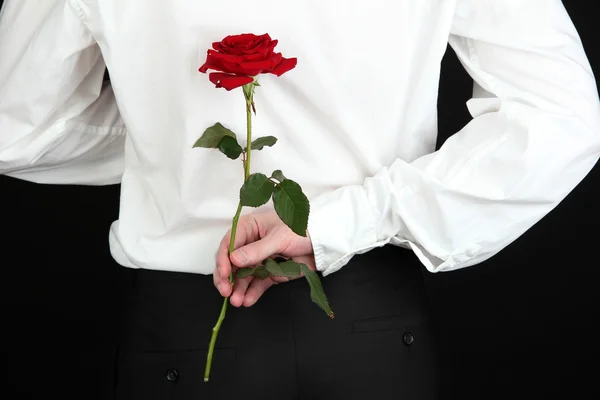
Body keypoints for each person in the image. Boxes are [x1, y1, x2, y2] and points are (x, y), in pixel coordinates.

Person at [1, 0, 599, 399]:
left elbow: (15, 127)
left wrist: (165, 145)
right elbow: (561, 116)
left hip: (186, 339)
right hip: (368, 333)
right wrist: (344, 221)